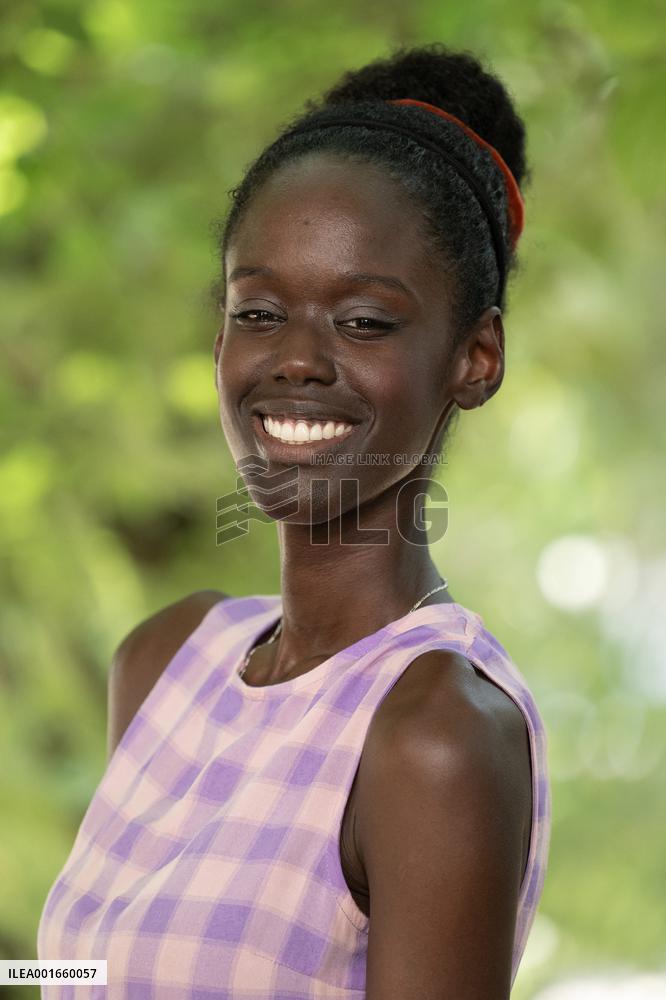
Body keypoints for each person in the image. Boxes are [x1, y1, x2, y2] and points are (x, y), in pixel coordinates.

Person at [37, 42, 551, 999]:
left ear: (474, 358)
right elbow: (93, 964)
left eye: (363, 321)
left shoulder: (433, 733)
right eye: (260, 310)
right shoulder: (167, 658)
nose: (297, 362)